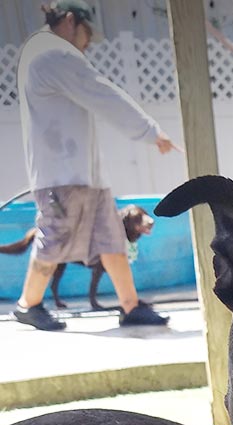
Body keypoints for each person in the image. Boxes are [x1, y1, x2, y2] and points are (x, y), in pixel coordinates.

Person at [14, 0, 178, 331]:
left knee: (111, 239)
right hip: (61, 176)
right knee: (52, 240)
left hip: (86, 176)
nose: (88, 43)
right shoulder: (52, 53)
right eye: (87, 34)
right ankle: (27, 305)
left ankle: (130, 307)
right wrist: (149, 132)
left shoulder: (52, 54)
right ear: (71, 21)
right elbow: (102, 94)